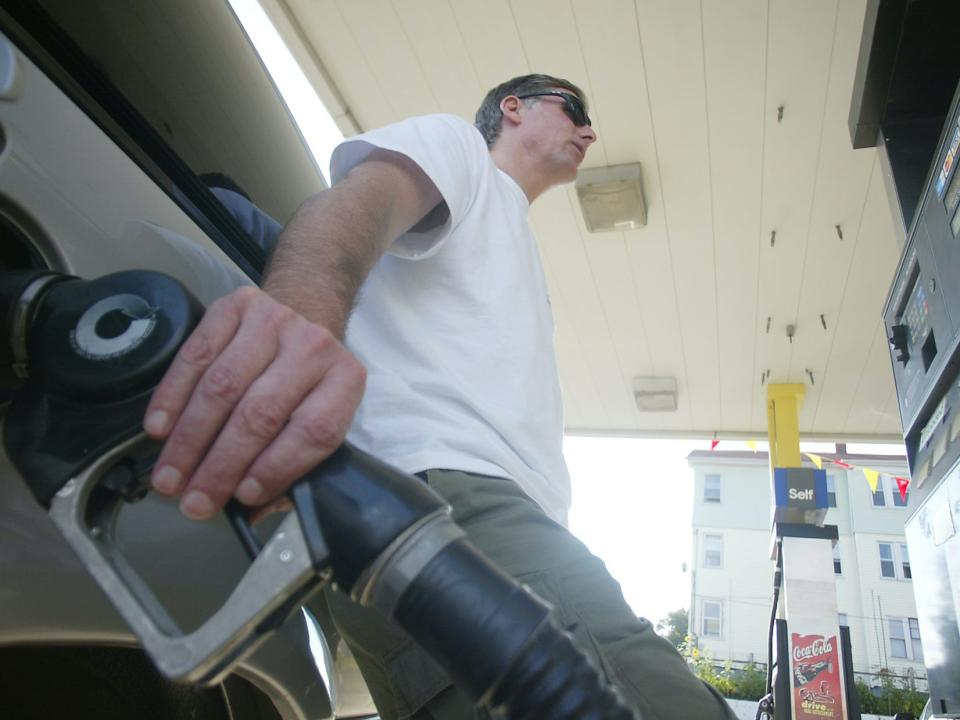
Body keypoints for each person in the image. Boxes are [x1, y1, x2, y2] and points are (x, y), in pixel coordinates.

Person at [144, 73, 736, 719]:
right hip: (457, 506)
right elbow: (356, 204)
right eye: (574, 110)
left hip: (495, 524)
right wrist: (297, 328)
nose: (589, 131)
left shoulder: (511, 234)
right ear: (512, 109)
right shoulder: (459, 150)